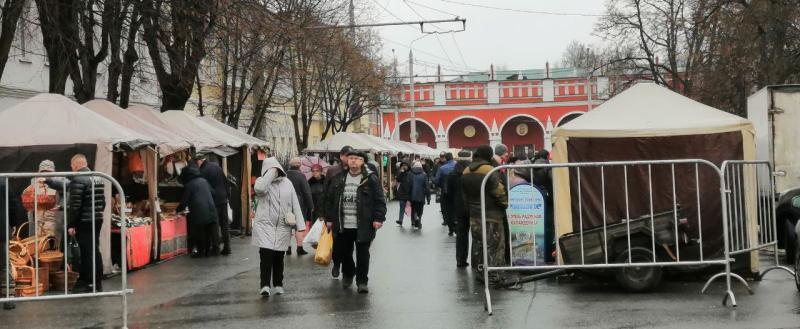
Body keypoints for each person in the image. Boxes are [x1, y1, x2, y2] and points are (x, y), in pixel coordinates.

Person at [324, 150, 386, 294]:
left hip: (363, 223)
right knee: (344, 252)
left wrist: (378, 218)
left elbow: (379, 200)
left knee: (363, 254)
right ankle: (348, 273)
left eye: (357, 159)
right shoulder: (339, 178)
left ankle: (362, 281)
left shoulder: (370, 179)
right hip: (342, 222)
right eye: (351, 158)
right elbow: (330, 199)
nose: (353, 161)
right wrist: (329, 218)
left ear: (362, 161)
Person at [252, 157, 306, 296]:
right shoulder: (262, 182)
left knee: (278, 257)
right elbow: (260, 190)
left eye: (276, 169)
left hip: (283, 225)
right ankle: (264, 285)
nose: (275, 172)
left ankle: (278, 284)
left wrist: (300, 225)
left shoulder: (287, 183)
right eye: (271, 169)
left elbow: (295, 204)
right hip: (265, 225)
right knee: (266, 256)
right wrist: (270, 175)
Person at [461, 145, 508, 285]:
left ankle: (480, 273)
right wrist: (505, 203)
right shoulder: (490, 170)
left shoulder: (466, 171)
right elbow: (498, 191)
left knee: (478, 244)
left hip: (475, 215)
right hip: (492, 214)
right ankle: (495, 274)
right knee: (495, 245)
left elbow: (464, 196)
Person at [66, 154, 106, 292]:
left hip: (84, 221)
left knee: (87, 252)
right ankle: (96, 281)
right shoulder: (98, 177)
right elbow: (103, 202)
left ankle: (90, 282)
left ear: (75, 165)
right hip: (97, 219)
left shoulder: (77, 179)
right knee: (95, 250)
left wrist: (71, 224)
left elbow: (75, 206)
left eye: (72, 167)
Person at [323, 145, 353, 279]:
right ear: (341, 156)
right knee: (336, 242)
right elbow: (326, 195)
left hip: (350, 214)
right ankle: (336, 264)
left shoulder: (355, 171)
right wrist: (326, 217)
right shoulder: (332, 171)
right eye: (348, 156)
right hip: (335, 214)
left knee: (349, 245)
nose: (350, 159)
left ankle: (347, 268)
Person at [177, 165, 219, 258]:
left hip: (199, 211)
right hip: (211, 209)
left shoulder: (189, 185)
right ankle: (211, 251)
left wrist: (177, 210)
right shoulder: (204, 181)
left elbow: (184, 201)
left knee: (200, 233)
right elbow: (213, 192)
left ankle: (201, 252)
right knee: (210, 231)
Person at [195, 153, 231, 255]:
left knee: (214, 224)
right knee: (224, 224)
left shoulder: (203, 171)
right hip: (223, 198)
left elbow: (205, 189)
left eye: (197, 162)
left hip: (213, 200)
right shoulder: (216, 166)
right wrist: (227, 195)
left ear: (200, 161)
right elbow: (225, 182)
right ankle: (227, 247)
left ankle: (215, 248)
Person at [448, 150, 472, 267]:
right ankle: (477, 261)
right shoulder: (472, 171)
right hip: (473, 205)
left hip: (459, 206)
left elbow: (449, 192)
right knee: (477, 235)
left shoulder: (452, 173)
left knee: (461, 234)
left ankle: (460, 260)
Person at [285, 157, 313, 256]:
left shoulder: (285, 175)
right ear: (299, 165)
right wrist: (310, 205)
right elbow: (306, 192)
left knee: (288, 224)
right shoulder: (301, 176)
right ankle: (299, 248)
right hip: (299, 203)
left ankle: (287, 248)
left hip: (286, 203)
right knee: (299, 226)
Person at [435, 153, 456, 235]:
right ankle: (457, 225)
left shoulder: (442, 168)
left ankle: (451, 229)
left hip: (446, 192)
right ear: (453, 158)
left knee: (448, 210)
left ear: (446, 159)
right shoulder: (458, 166)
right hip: (458, 192)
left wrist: (441, 185)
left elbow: (437, 180)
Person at [406, 161, 429, 230]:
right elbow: (427, 186)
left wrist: (407, 196)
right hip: (421, 196)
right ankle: (419, 220)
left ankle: (414, 219)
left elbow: (408, 185)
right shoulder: (424, 174)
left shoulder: (410, 174)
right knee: (420, 209)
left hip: (412, 195)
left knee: (413, 208)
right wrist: (428, 197)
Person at [394, 161, 411, 227]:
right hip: (402, 192)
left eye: (405, 165)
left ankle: (414, 220)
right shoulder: (402, 173)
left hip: (409, 192)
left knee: (411, 208)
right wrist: (401, 172)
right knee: (401, 207)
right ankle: (400, 220)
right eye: (403, 165)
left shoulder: (411, 173)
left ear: (408, 166)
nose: (404, 166)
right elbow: (398, 179)